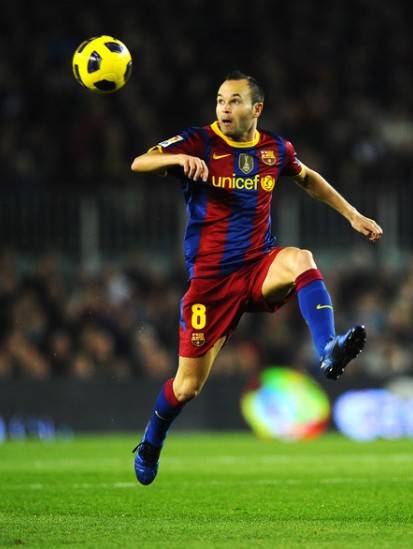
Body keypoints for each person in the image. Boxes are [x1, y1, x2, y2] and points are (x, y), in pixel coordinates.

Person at [130, 70, 383, 485]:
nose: (224, 109)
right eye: (220, 100)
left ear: (256, 108)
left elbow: (308, 178)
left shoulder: (275, 149)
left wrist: (352, 215)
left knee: (301, 258)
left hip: (257, 265)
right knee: (188, 386)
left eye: (234, 101)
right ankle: (151, 442)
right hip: (211, 284)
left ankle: (328, 348)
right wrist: (175, 160)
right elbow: (140, 162)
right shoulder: (200, 141)